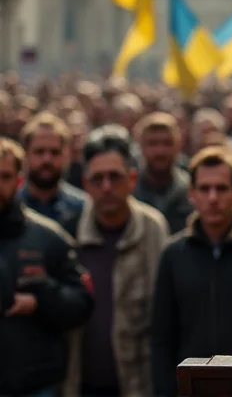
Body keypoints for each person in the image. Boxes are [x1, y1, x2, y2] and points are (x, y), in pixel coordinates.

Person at [65, 126, 169, 397]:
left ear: (132, 179)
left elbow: (165, 316)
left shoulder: (152, 229)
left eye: (115, 177)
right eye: (97, 179)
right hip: (81, 383)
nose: (107, 187)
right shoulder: (69, 232)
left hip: (139, 383)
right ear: (85, 184)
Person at [151, 146, 232, 397]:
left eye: (221, 188)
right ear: (192, 194)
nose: (213, 197)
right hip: (191, 387)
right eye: (204, 188)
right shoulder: (173, 253)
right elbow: (162, 336)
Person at [0, 137, 94, 396]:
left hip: (35, 382)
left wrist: (40, 299)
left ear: (19, 181)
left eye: (4, 176)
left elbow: (82, 302)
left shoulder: (49, 237)